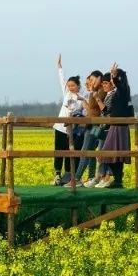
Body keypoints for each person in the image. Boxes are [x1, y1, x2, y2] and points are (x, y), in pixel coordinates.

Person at [96, 63, 134, 188]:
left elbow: (118, 83)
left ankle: (118, 180)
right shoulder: (119, 91)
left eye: (113, 78)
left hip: (119, 127)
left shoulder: (124, 89)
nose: (112, 80)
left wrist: (115, 76)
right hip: (115, 125)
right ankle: (118, 180)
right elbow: (108, 110)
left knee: (109, 153)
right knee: (114, 155)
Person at [67, 70, 105, 187]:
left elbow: (94, 110)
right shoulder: (95, 91)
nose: (90, 84)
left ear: (99, 79)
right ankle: (91, 177)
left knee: (86, 151)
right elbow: (92, 110)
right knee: (90, 151)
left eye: (92, 80)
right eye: (88, 82)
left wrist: (87, 97)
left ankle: (78, 178)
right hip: (91, 124)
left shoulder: (100, 91)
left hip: (95, 125)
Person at [52, 54, 85, 185]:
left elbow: (84, 112)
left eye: (73, 86)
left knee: (69, 151)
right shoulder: (66, 93)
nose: (70, 87)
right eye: (69, 86)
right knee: (59, 150)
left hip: (73, 129)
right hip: (61, 127)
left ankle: (67, 176)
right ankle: (57, 174)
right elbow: (62, 79)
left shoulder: (83, 96)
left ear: (78, 85)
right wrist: (59, 67)